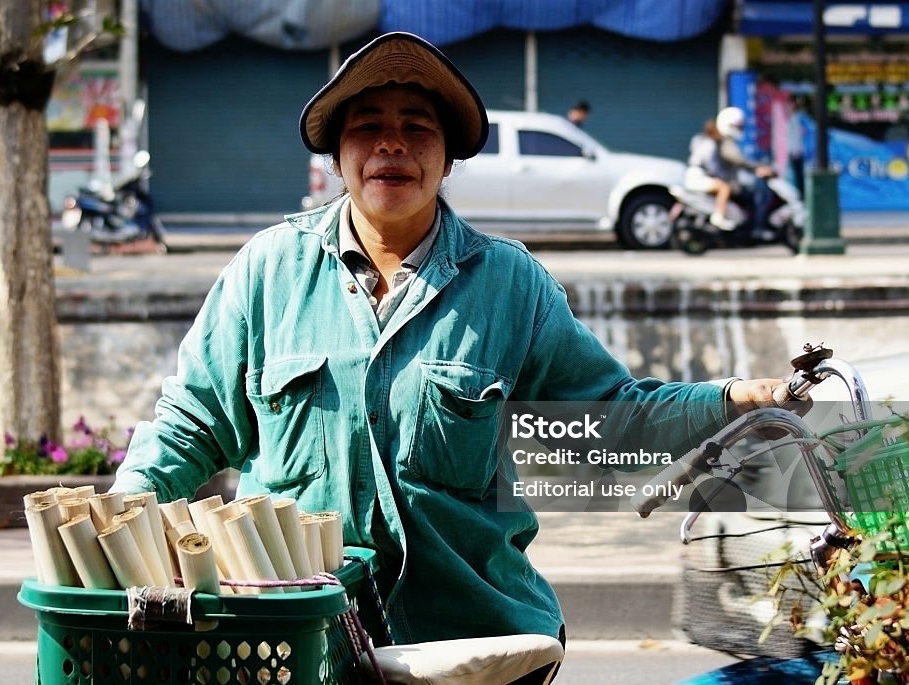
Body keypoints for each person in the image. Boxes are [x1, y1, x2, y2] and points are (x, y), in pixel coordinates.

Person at [111, 32, 798, 682]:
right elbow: (193, 422)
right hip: (296, 643)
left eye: (417, 127)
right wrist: (117, 519)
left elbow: (609, 417)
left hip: (470, 644)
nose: (392, 145)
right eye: (367, 125)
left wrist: (732, 399)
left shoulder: (509, 283)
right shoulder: (267, 272)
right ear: (337, 155)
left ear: (446, 158)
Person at [715, 106, 777, 240]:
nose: (740, 130)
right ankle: (757, 228)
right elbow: (739, 161)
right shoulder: (725, 143)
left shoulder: (727, 141)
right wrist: (757, 168)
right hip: (729, 183)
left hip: (730, 181)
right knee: (759, 194)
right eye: (737, 126)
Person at [684, 118, 735, 230]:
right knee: (724, 187)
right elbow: (712, 166)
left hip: (691, 174)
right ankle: (719, 217)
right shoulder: (710, 145)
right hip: (699, 176)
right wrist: (723, 176)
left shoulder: (698, 140)